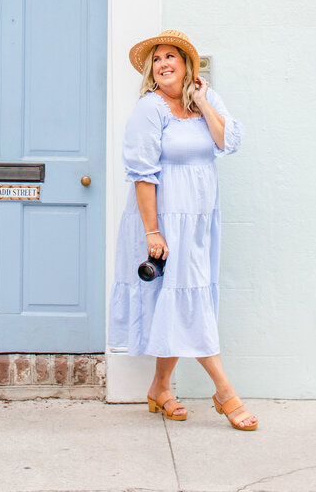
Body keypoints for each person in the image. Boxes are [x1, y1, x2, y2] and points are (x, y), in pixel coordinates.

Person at [108, 29, 258, 430]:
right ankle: (225, 393)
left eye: (171, 56)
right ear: (151, 71)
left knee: (177, 298)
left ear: (187, 65)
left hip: (199, 220)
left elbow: (228, 142)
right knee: (186, 297)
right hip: (163, 219)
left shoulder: (205, 102)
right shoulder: (150, 109)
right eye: (156, 59)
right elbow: (142, 174)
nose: (163, 64)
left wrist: (204, 102)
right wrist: (153, 232)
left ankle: (160, 388)